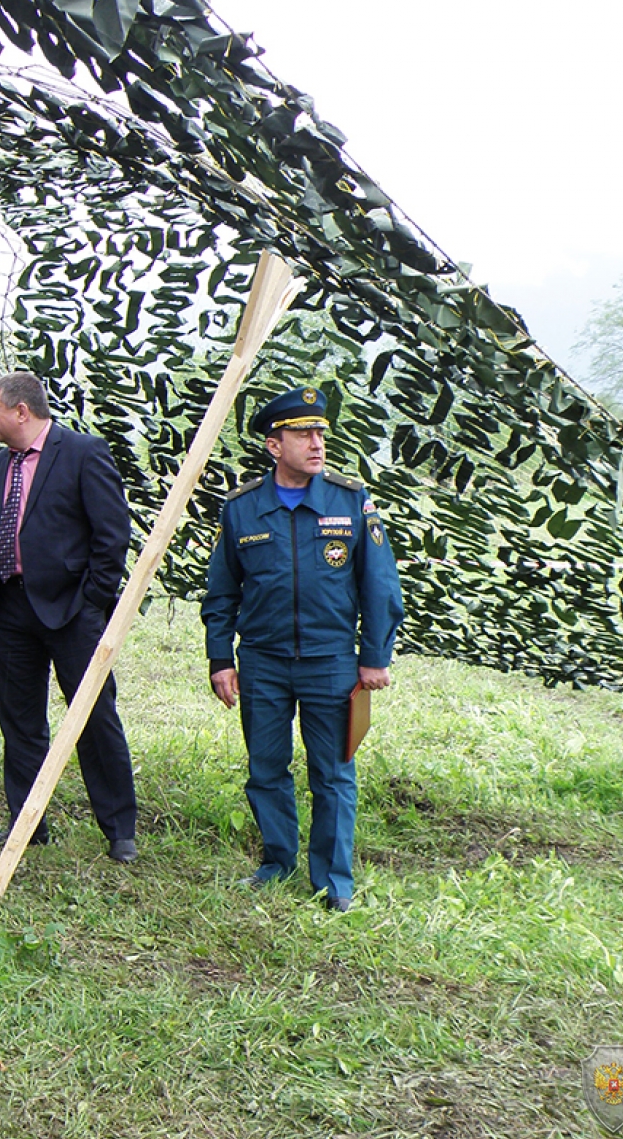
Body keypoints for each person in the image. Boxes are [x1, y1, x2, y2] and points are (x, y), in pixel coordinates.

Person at [201, 386, 403, 913]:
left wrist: (374, 656)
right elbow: (222, 592)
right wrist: (220, 658)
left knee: (333, 773)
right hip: (263, 662)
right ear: (274, 445)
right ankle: (276, 861)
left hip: (331, 661)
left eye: (320, 434)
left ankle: (334, 880)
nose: (317, 444)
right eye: (303, 434)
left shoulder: (350, 501)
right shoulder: (242, 510)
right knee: (266, 767)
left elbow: (381, 585)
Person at [0, 371, 139, 862]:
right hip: (7, 608)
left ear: (22, 411)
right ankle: (27, 821)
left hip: (70, 611)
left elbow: (113, 534)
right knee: (19, 720)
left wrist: (91, 603)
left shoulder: (83, 452)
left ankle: (118, 830)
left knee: (92, 713)